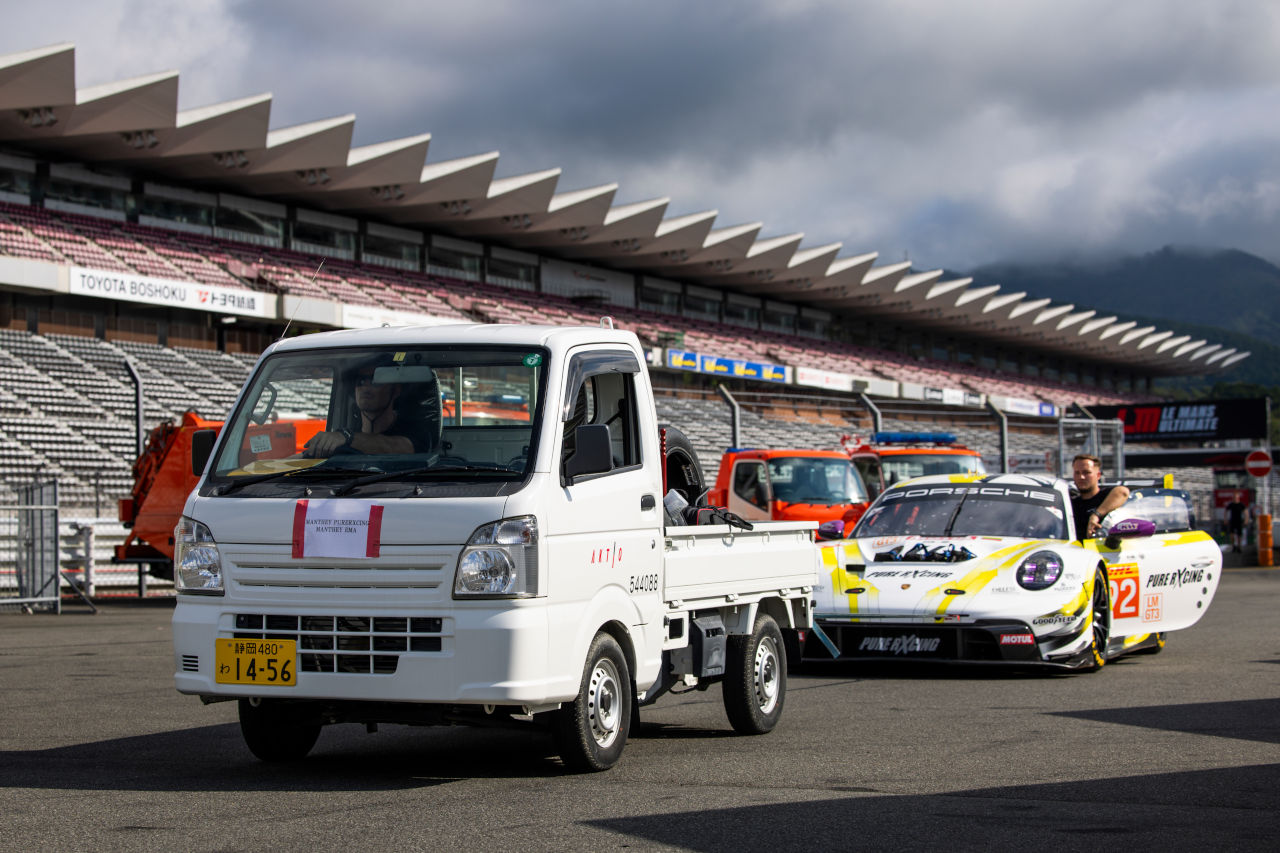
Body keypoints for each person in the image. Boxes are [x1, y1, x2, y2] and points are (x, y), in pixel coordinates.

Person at [304, 362, 436, 458]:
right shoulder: (345, 437)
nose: (365, 387)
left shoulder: (417, 432)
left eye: (375, 381)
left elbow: (400, 447)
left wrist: (346, 439)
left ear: (396, 390)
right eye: (360, 382)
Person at [1070, 454, 1130, 540]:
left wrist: (1095, 515)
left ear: (1098, 475)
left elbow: (1123, 492)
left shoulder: (1107, 496)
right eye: (1077, 473)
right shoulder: (1069, 502)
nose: (1081, 477)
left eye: (1086, 472)